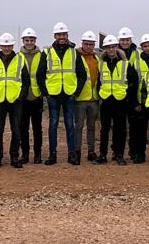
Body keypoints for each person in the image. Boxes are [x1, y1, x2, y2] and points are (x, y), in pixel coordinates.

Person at [36, 22, 87, 165]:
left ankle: (72, 155)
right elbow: (40, 74)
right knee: (53, 125)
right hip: (53, 95)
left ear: (67, 35)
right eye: (59, 35)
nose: (61, 37)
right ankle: (52, 155)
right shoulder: (47, 52)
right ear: (54, 36)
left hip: (69, 94)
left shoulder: (74, 52)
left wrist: (76, 92)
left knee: (70, 124)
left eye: (63, 34)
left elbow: (82, 74)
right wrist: (46, 92)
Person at [95, 35, 139, 166]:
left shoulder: (125, 63)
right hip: (107, 101)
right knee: (104, 129)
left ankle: (119, 154)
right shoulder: (101, 64)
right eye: (108, 47)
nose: (111, 50)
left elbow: (134, 81)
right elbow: (99, 82)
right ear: (105, 49)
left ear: (116, 47)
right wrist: (100, 94)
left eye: (113, 47)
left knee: (120, 129)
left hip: (120, 101)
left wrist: (127, 96)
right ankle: (103, 155)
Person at [0, 33, 30, 169]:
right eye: (4, 46)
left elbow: (26, 80)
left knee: (16, 130)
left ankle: (14, 156)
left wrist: (21, 96)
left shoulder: (20, 59)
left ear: (12, 46)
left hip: (15, 100)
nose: (6, 48)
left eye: (9, 46)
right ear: (0, 46)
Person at [117, 27, 149, 164]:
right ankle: (117, 152)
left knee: (137, 127)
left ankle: (137, 152)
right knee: (120, 127)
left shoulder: (139, 55)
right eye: (122, 40)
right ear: (119, 41)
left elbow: (146, 76)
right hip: (119, 97)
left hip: (135, 98)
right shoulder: (114, 54)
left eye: (127, 40)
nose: (125, 42)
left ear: (131, 40)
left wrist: (141, 100)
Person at [19, 28, 44, 164]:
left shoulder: (42, 56)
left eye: (32, 40)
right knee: (23, 127)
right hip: (23, 97)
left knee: (37, 127)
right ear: (23, 41)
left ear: (35, 41)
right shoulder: (18, 57)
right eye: (27, 40)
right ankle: (25, 154)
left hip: (36, 96)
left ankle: (37, 154)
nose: (29, 42)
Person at [75, 31, 100, 163]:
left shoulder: (97, 59)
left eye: (91, 44)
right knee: (78, 126)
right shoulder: (76, 57)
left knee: (91, 127)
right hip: (80, 99)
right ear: (82, 43)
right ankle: (77, 151)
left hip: (94, 98)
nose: (89, 46)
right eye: (86, 44)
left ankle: (91, 151)